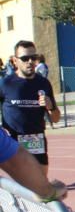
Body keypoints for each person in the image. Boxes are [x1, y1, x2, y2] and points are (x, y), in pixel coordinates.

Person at [0, 41, 60, 176]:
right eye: (25, 58)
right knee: (18, 185)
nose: (30, 61)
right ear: (15, 61)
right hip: (13, 141)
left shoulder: (43, 83)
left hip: (36, 140)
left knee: (41, 184)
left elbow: (56, 119)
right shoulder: (6, 84)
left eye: (34, 57)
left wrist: (50, 107)